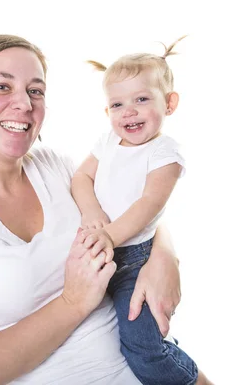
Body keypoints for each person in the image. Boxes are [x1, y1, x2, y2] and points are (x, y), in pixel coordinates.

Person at [0, 34, 198, 384]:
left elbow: (138, 209)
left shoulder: (59, 170)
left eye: (35, 90)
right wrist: (72, 302)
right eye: (2, 87)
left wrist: (165, 257)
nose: (23, 103)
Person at [71, 36, 213, 385]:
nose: (128, 111)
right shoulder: (107, 142)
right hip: (101, 255)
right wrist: (91, 211)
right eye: (117, 104)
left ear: (170, 103)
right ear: (107, 112)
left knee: (141, 344)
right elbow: (81, 177)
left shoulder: (165, 153)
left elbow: (149, 205)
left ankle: (183, 377)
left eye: (142, 99)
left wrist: (108, 235)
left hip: (135, 261)